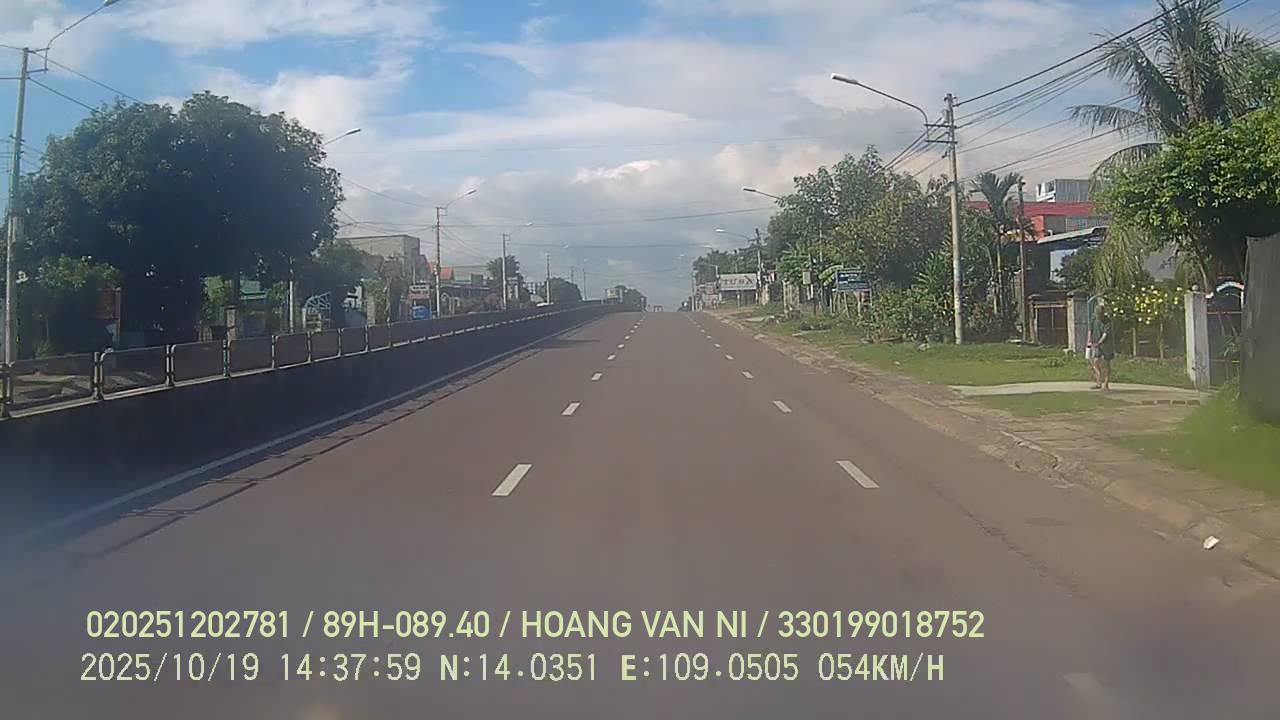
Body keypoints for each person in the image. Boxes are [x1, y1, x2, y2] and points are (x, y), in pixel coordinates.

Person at [1090, 304, 1114, 391]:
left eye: (1099, 314)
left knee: (1106, 364)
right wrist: (1090, 340)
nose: (1098, 316)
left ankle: (1106, 384)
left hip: (1106, 345)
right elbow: (1090, 330)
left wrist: (1099, 343)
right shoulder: (1093, 319)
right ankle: (1099, 382)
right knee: (1095, 362)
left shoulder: (1108, 321)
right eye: (1097, 314)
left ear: (1103, 314)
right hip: (1097, 343)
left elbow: (1105, 335)